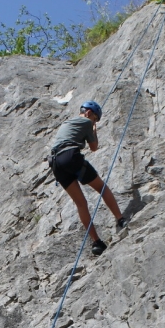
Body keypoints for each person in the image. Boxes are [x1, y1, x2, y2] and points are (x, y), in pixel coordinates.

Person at [48, 100, 127, 256]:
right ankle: (121, 219)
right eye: (95, 118)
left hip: (56, 164)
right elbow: (94, 147)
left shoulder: (67, 123)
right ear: (89, 113)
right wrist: (93, 128)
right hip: (70, 155)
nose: (94, 122)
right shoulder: (85, 121)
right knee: (102, 188)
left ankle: (97, 243)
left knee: (81, 203)